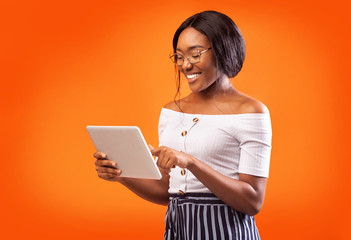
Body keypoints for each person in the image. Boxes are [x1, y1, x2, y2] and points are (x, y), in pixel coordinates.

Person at [93, 10, 272, 240]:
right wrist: (121, 175)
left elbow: (252, 200)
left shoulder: (251, 112)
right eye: (179, 56)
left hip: (228, 232)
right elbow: (168, 190)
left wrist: (191, 163)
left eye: (195, 54)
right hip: (179, 230)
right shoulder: (171, 111)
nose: (185, 65)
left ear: (224, 50)